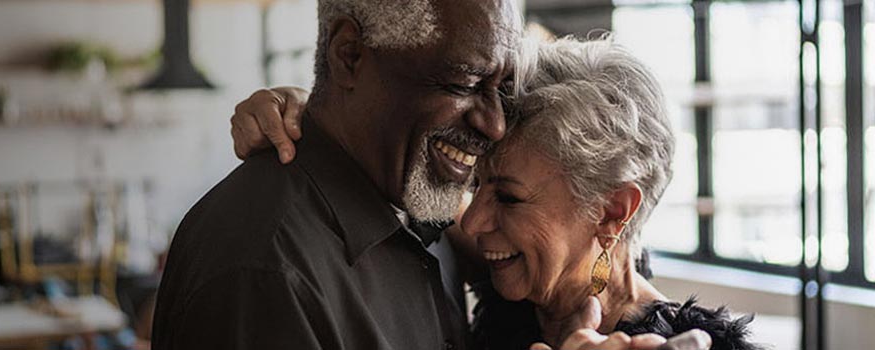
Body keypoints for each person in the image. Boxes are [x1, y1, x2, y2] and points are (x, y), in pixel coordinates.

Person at [229, 38, 758, 350]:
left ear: (612, 212)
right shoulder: (512, 280)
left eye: (507, 197)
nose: (475, 222)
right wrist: (310, 113)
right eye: (476, 183)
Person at [148, 0, 517, 348]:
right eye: (464, 84)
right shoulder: (266, 268)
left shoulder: (421, 205)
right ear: (349, 56)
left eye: (504, 90)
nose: (495, 124)